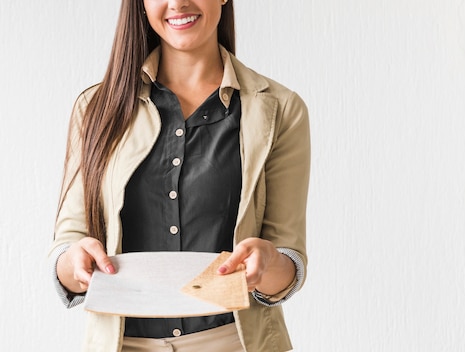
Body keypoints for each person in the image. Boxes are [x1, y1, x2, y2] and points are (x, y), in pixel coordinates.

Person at [49, 0, 310, 351]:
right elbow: (68, 242)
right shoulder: (96, 108)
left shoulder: (280, 110)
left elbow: (288, 261)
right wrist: (74, 263)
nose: (178, 3)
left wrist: (268, 264)